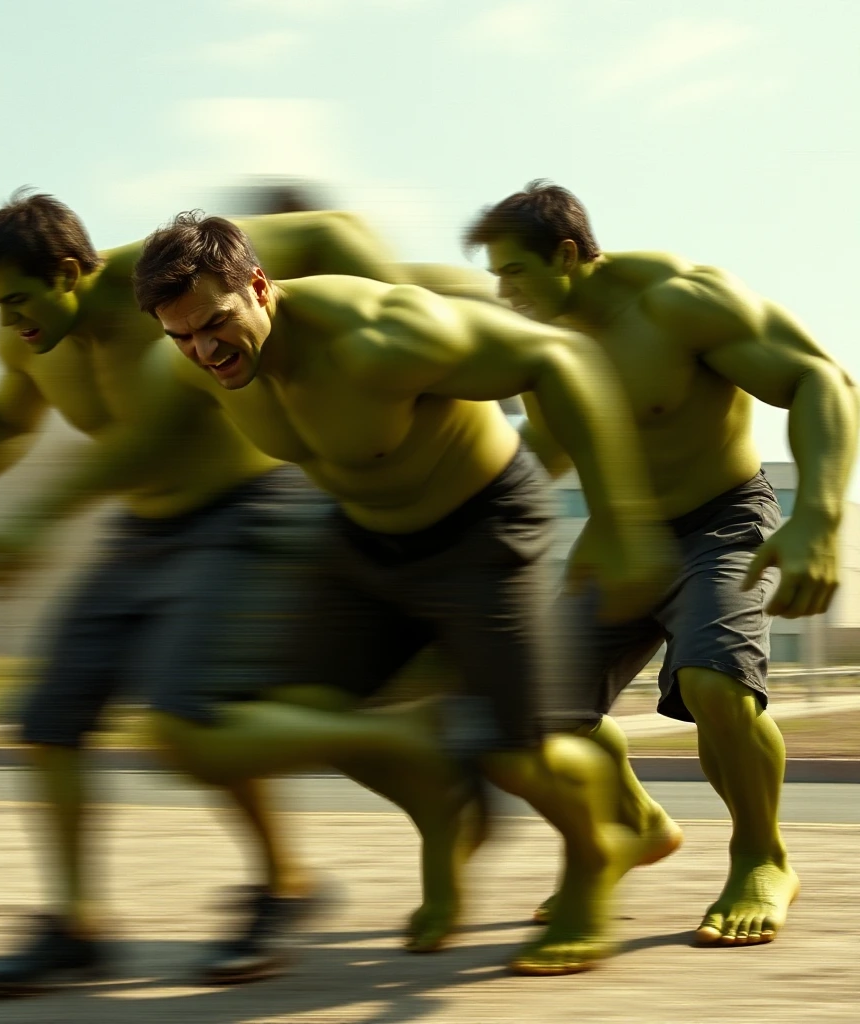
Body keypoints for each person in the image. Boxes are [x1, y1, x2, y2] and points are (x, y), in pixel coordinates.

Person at [0, 191, 484, 992]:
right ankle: (77, 927)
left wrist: (403, 332)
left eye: (20, 301)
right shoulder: (29, 340)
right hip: (143, 529)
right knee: (50, 717)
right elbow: (4, 421)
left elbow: (326, 231)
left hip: (249, 513)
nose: (9, 323)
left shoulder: (158, 282)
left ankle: (290, 883)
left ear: (73, 271)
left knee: (190, 717)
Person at [129, 211, 676, 975]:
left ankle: (599, 855)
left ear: (258, 286)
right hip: (363, 537)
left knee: (519, 756)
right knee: (310, 713)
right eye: (180, 336)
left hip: (480, 526)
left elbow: (561, 357)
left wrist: (623, 520)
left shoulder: (377, 334)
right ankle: (443, 819)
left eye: (216, 324)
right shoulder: (191, 362)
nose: (204, 350)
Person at [465, 179, 858, 947]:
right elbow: (544, 452)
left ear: (570, 255)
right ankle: (635, 825)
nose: (503, 293)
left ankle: (762, 857)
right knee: (535, 716)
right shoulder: (542, 347)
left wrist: (818, 518)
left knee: (714, 681)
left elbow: (821, 379)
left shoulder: (678, 301)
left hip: (723, 520)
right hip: (619, 536)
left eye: (514, 273)